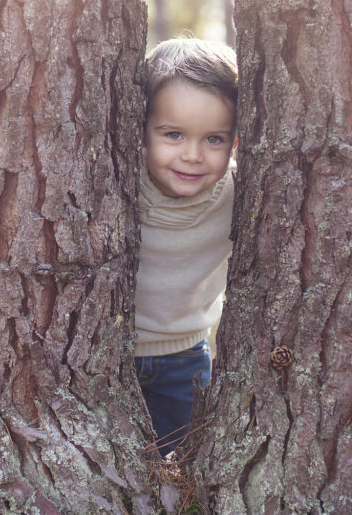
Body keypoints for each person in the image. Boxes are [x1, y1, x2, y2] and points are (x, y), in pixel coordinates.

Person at [134, 37, 237, 457]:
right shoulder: (108, 182)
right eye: (173, 134)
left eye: (214, 139)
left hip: (185, 360)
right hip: (99, 356)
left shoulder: (242, 194)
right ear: (141, 129)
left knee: (181, 469)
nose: (192, 155)